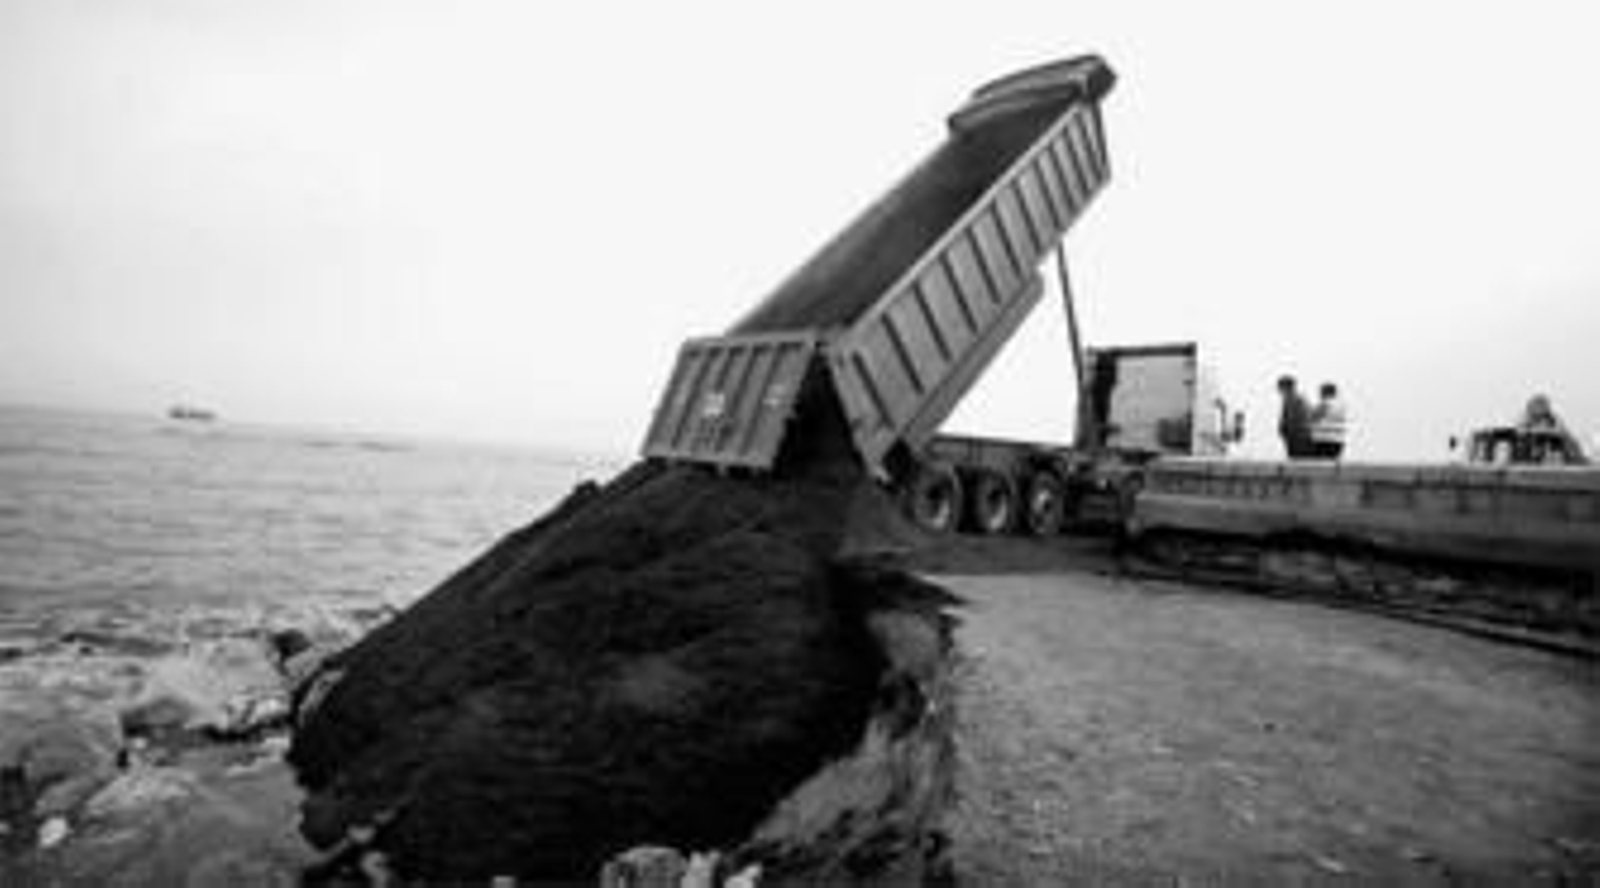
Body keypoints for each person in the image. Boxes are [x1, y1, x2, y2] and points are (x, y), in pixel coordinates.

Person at [1516, 394, 1587, 464]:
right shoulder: (1520, 438)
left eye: (1544, 417)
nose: (1540, 424)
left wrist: (1562, 437)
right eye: (1536, 418)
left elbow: (1582, 462)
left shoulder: (1560, 436)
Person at [1276, 375, 1313, 459]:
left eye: (1280, 388)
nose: (1279, 391)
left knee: (1297, 461)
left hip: (1298, 437)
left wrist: (1284, 429)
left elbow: (1291, 419)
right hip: (1300, 436)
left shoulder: (1292, 399)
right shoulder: (1299, 398)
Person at [1309, 382, 1347, 459]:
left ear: (1325, 392)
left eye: (1321, 392)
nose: (1319, 395)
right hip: (1338, 440)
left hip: (1324, 441)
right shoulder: (1340, 406)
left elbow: (1313, 417)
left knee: (1321, 466)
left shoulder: (1324, 404)